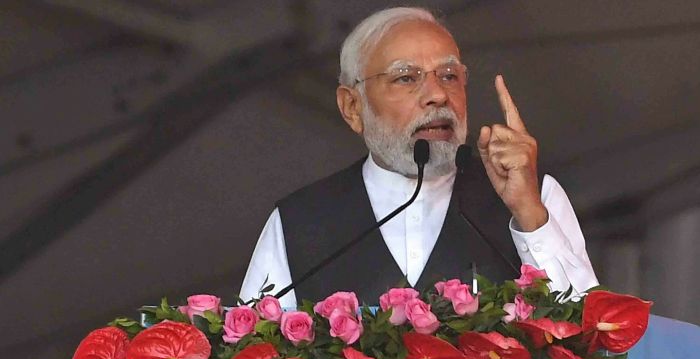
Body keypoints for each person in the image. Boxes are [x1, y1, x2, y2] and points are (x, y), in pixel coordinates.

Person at [239, 7, 599, 307]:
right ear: (352, 107)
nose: (437, 95)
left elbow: (596, 345)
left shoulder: (535, 196)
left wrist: (529, 216)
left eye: (449, 76)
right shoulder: (299, 221)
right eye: (406, 78)